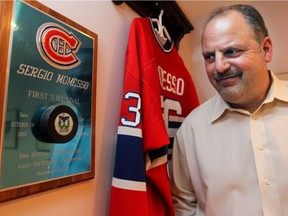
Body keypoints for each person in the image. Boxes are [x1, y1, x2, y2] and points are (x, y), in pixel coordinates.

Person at [170, 4, 288, 215]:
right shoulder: (191, 131)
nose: (219, 66)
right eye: (209, 57)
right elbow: (184, 204)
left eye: (231, 51)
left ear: (266, 49)